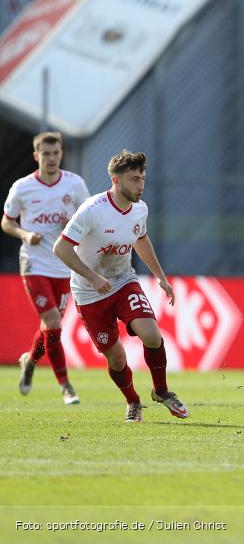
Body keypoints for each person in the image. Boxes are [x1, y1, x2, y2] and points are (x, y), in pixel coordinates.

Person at [52, 150, 189, 423]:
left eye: (142, 179)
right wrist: (92, 277)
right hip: (89, 292)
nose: (140, 185)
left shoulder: (140, 209)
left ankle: (161, 391)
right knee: (115, 358)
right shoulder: (92, 210)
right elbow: (61, 248)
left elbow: (141, 239)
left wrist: (160, 276)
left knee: (151, 334)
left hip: (124, 281)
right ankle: (133, 402)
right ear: (116, 180)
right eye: (134, 179)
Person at [2, 132, 89, 405]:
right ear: (36, 156)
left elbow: (88, 219)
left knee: (49, 328)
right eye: (46, 154)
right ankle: (66, 386)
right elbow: (6, 222)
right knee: (53, 322)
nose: (51, 158)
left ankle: (29, 361)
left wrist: (71, 227)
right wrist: (25, 235)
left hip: (64, 265)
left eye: (55, 153)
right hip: (35, 263)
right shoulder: (23, 187)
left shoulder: (74, 185)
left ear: (61, 154)